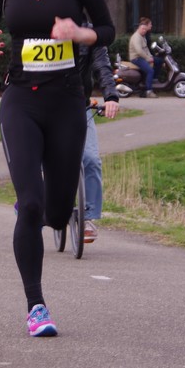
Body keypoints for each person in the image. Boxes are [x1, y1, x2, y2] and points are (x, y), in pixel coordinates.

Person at [0, 0, 115, 337]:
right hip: (21, 99)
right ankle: (36, 306)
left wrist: (80, 33)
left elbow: (108, 30)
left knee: (55, 213)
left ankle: (40, 207)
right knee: (31, 205)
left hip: (67, 103)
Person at [78, 30, 120, 243]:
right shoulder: (44, 27)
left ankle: (88, 217)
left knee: (91, 159)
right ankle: (35, 206)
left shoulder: (90, 34)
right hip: (51, 108)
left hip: (80, 107)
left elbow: (102, 66)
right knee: (45, 160)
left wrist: (111, 96)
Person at [128, 18, 157, 97]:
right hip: (136, 58)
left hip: (141, 57)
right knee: (150, 71)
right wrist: (148, 58)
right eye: (142, 29)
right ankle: (149, 91)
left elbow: (146, 49)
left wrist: (151, 57)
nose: (144, 30)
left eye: (145, 29)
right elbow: (139, 51)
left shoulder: (142, 36)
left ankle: (153, 80)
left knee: (158, 61)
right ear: (139, 28)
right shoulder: (136, 37)